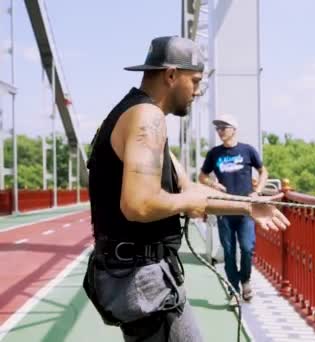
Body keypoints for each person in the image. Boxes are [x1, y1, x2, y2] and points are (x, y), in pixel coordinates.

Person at [83, 36, 289, 342]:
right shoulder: (147, 117)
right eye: (194, 81)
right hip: (141, 278)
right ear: (170, 75)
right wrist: (187, 200)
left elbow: (190, 190)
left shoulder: (134, 114)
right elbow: (139, 204)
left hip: (132, 275)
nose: (196, 91)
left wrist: (246, 205)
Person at [199, 114, 268, 305]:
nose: (220, 131)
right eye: (218, 128)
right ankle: (234, 291)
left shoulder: (247, 151)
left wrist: (258, 191)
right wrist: (214, 184)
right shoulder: (214, 153)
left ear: (233, 130)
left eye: (224, 127)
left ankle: (245, 280)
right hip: (224, 209)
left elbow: (263, 172)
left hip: (245, 209)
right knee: (228, 252)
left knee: (247, 248)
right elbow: (202, 177)